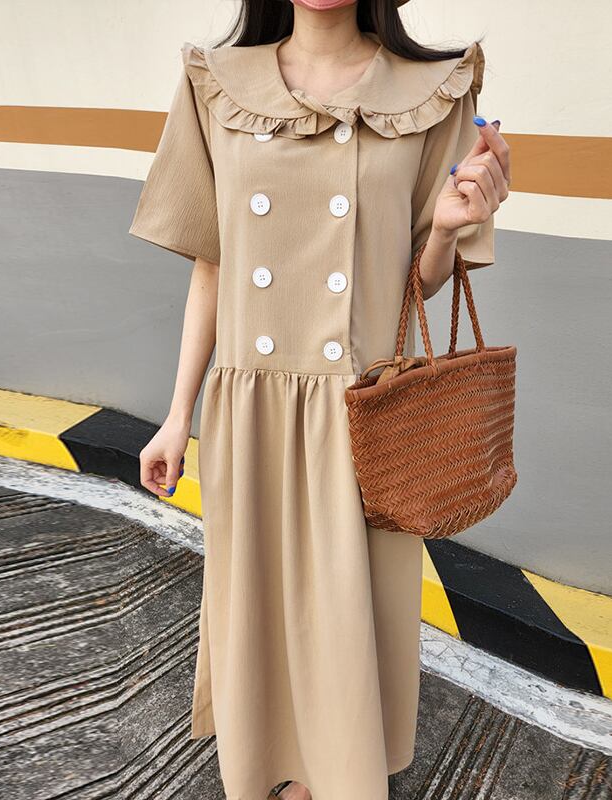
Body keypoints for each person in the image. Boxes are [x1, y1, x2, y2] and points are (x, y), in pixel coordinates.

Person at [130, 0, 511, 797]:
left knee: (345, 620)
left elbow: (416, 286)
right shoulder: (215, 81)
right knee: (261, 616)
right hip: (253, 408)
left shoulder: (431, 89)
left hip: (362, 411)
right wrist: (177, 415)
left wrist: (445, 230)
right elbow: (213, 264)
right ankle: (276, 776)